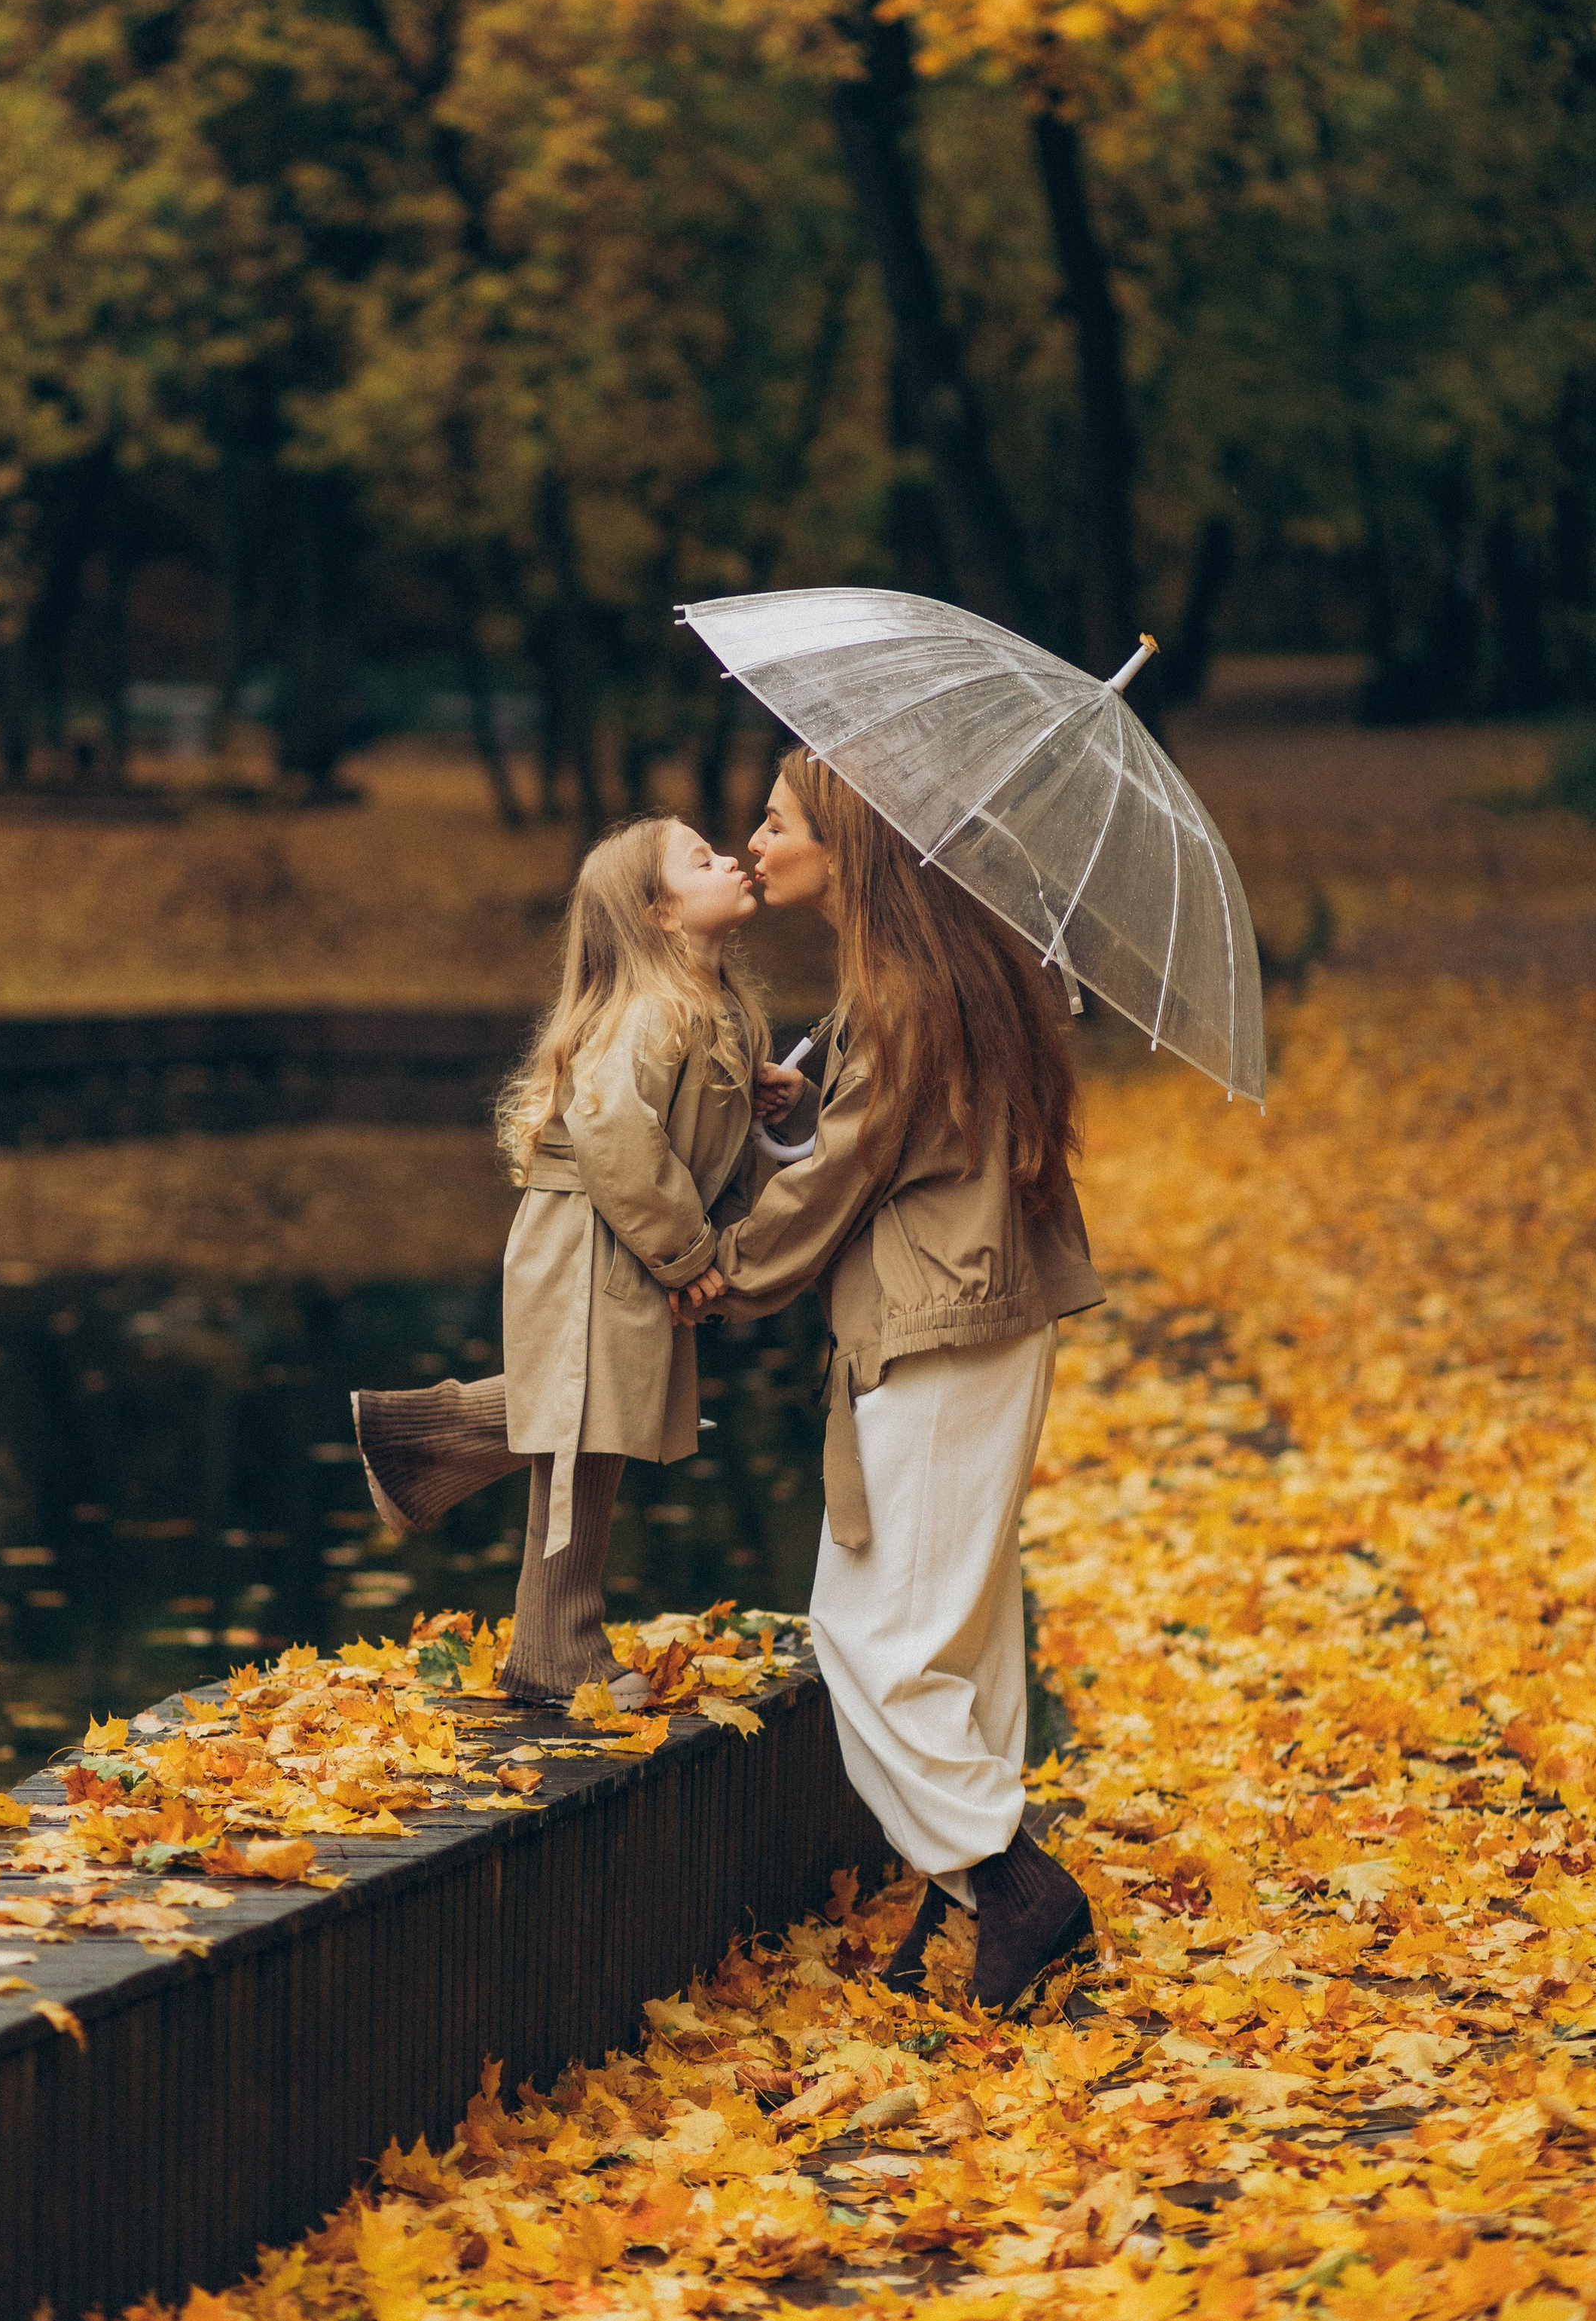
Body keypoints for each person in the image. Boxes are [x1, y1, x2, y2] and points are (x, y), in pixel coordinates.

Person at [677, 747, 1104, 2008]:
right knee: (958, 1637)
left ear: (847, 841)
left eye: (778, 818)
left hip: (943, 1331)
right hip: (969, 1315)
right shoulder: (914, 981)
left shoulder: (912, 990)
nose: (756, 839)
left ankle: (1013, 1880)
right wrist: (792, 1105)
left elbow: (842, 1179)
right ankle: (969, 1892)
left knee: (868, 1634)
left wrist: (720, 1272)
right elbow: (872, 1140)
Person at [352, 815, 765, 1707]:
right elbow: (613, 1126)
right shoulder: (654, 1008)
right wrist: (688, 1249)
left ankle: (420, 1442)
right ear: (659, 912)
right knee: (586, 1418)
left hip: (611, 1229)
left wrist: (758, 1090)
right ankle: (553, 1646)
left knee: (595, 1414)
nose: (732, 857)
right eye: (703, 858)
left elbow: (691, 1134)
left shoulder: (705, 1006)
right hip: (592, 1231)